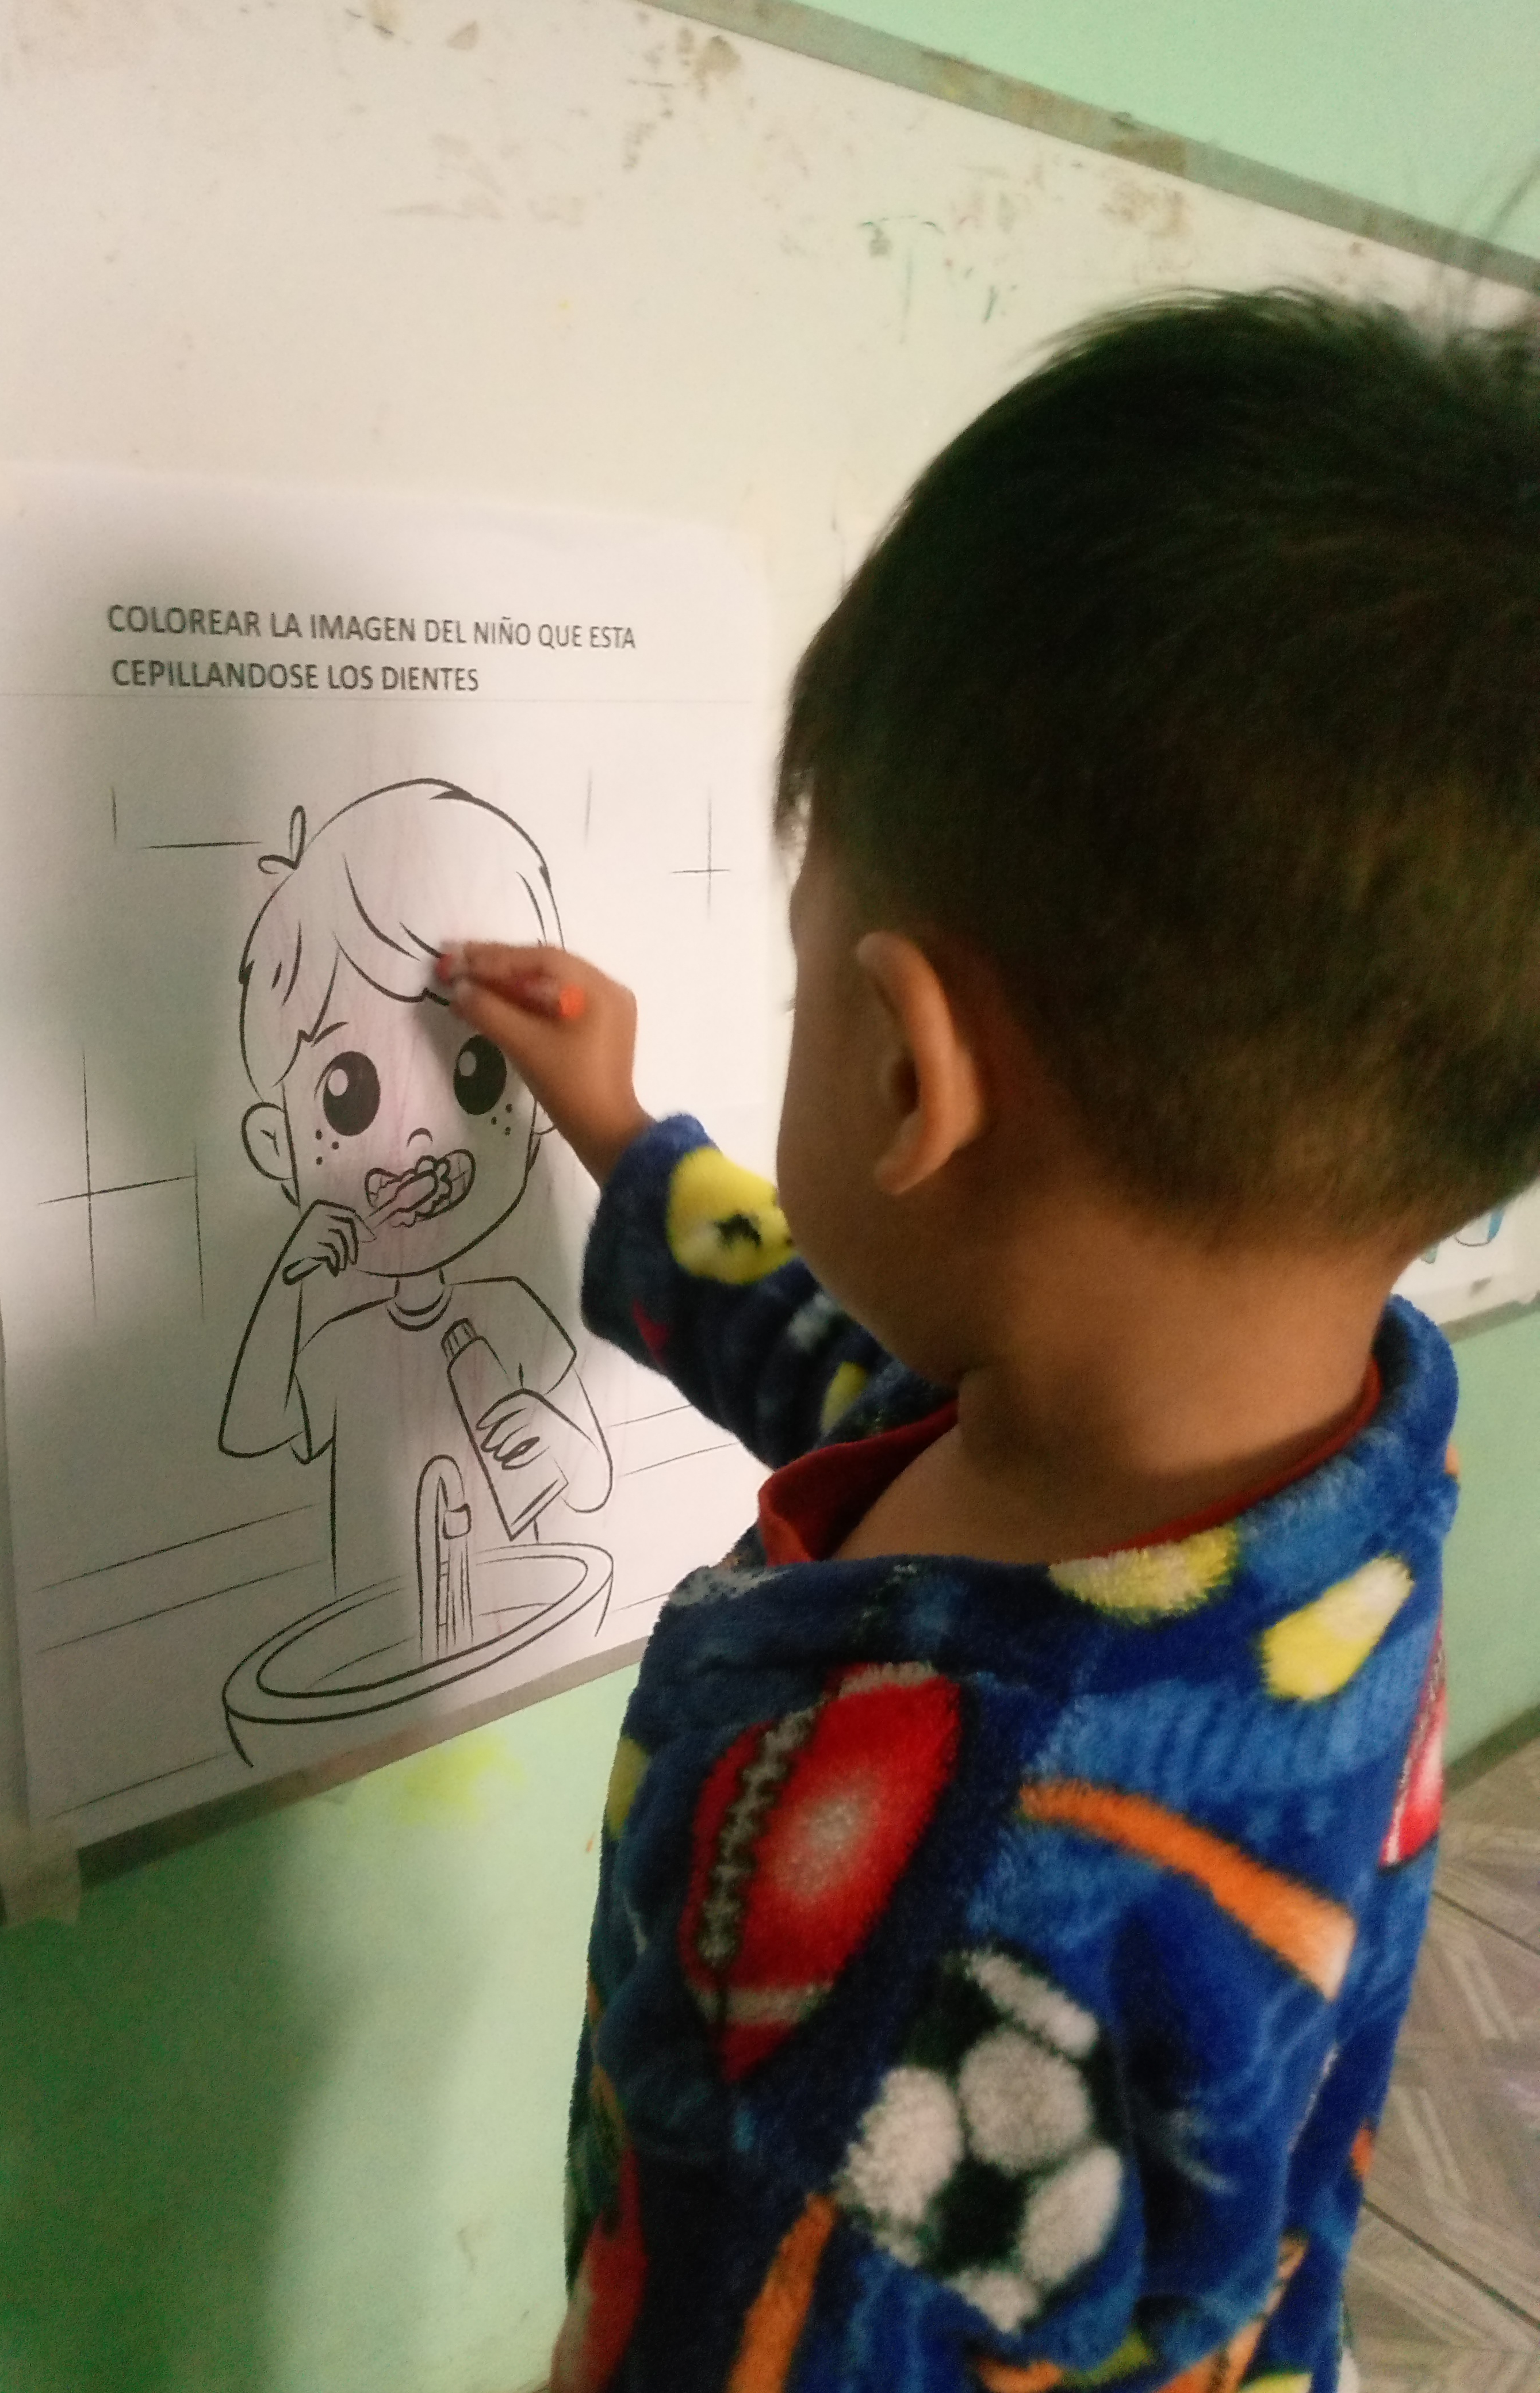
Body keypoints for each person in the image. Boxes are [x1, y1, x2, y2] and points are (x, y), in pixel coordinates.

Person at [442, 289, 1540, 2392]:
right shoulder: (1320, 1472)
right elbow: (864, 1384)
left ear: (905, 1068)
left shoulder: (900, 1923)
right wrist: (625, 1137)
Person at [223, 781, 611, 1661]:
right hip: (371, 1658)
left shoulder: (514, 1308)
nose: (422, 1140)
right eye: (347, 1094)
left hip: (531, 1629)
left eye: (476, 1075)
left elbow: (591, 1478)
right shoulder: (334, 1340)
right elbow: (250, 1435)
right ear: (275, 1143)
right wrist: (288, 1287)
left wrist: (553, 1441)